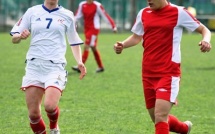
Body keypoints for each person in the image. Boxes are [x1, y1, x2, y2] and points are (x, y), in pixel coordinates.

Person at [114, 0, 211, 134]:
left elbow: (204, 29)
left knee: (160, 116)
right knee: (157, 118)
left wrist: (206, 40)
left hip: (168, 73)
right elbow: (137, 37)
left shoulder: (179, 12)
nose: (148, 0)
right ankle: (183, 128)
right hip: (147, 73)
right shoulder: (143, 13)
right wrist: (123, 45)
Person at [10, 0, 86, 133]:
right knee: (33, 114)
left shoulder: (68, 15)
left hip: (55, 66)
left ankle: (54, 127)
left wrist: (79, 61)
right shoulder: (32, 11)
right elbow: (14, 37)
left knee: (50, 106)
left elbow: (74, 41)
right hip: (34, 66)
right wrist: (20, 36)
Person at [71, 0, 117, 73]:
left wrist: (113, 26)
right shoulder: (82, 5)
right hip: (87, 29)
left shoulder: (97, 5)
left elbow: (105, 15)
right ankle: (100, 66)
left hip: (94, 29)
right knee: (93, 47)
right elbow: (77, 16)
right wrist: (71, 24)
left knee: (87, 46)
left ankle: (80, 66)